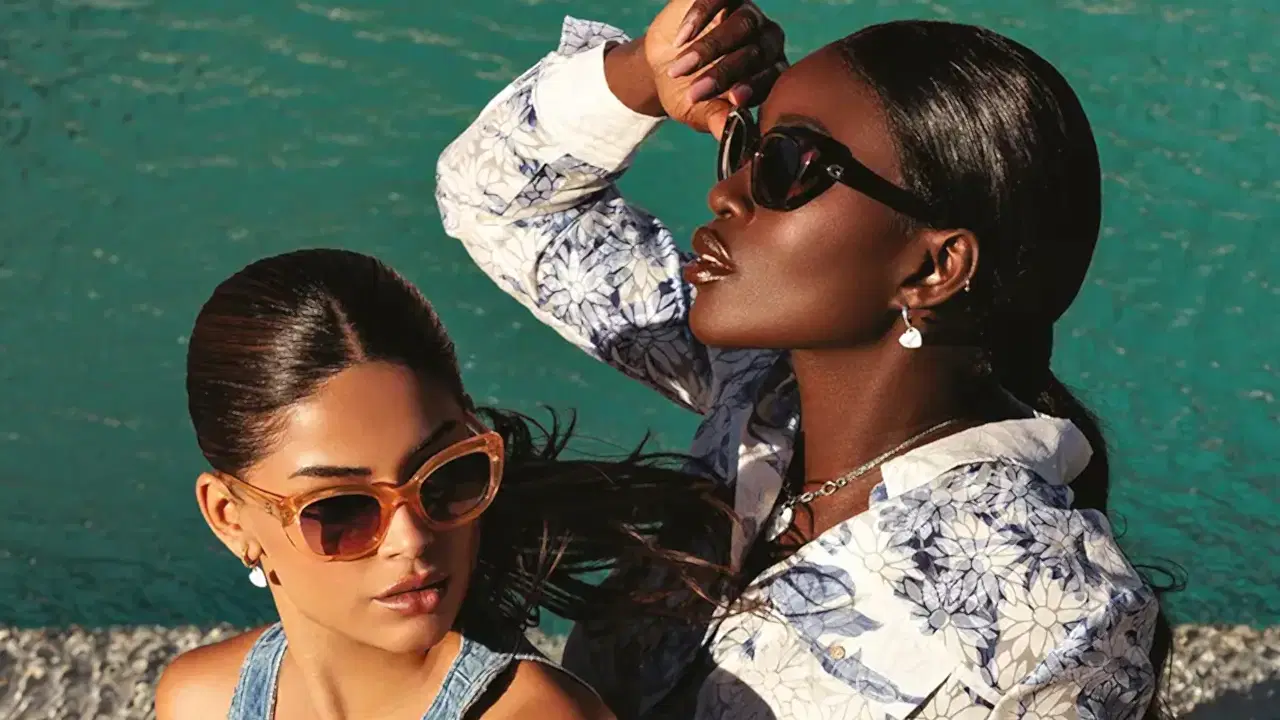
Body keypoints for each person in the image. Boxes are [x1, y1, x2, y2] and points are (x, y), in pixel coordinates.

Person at [435, 1, 1174, 718]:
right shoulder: (756, 388)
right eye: (747, 148)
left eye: (787, 164)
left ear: (933, 268)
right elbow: (496, 200)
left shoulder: (1057, 624)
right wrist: (648, 75)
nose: (724, 193)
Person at [154, 248, 739, 720]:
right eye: (342, 509)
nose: (410, 538)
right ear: (230, 518)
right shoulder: (200, 701)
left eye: (446, 478)